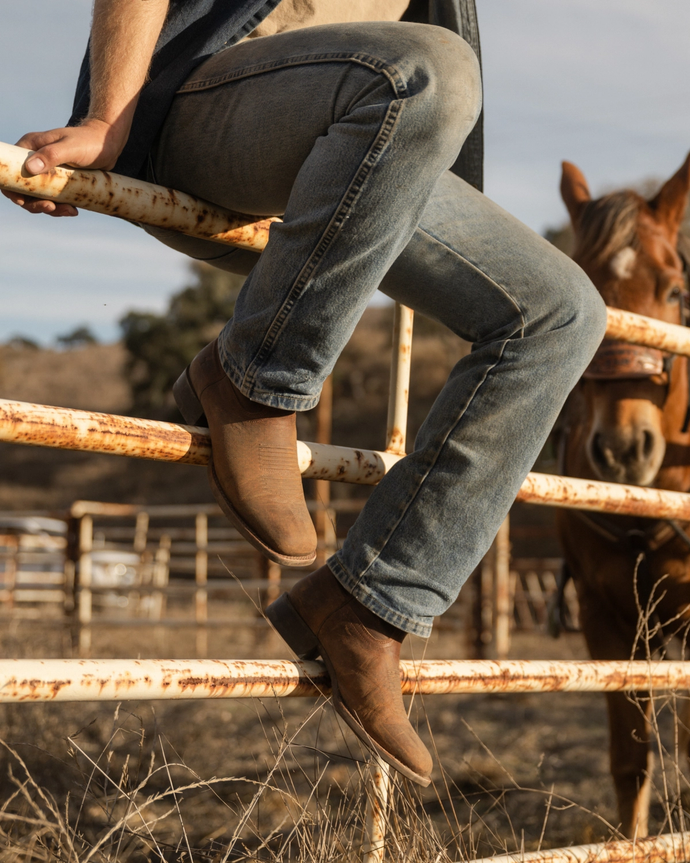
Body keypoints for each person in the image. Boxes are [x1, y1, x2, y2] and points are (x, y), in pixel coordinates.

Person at [2, 0, 607, 786]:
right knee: (432, 69)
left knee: (563, 311)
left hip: (369, 148)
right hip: (205, 101)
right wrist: (108, 115)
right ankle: (255, 379)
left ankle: (370, 605)